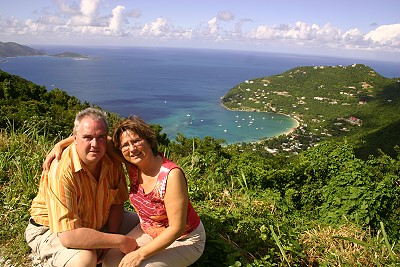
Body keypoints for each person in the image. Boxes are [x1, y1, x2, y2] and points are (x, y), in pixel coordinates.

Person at [45, 115, 206, 267]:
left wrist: (140, 254)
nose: (132, 149)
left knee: (140, 265)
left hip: (184, 239)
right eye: (125, 145)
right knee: (111, 260)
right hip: (149, 229)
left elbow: (176, 229)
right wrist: (62, 144)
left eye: (137, 141)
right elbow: (95, 138)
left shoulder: (171, 175)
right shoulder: (133, 165)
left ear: (149, 141)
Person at [25, 108, 139, 267]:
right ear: (75, 139)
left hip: (97, 221)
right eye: (87, 137)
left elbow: (117, 202)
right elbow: (68, 236)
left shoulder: (111, 159)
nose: (95, 144)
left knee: (146, 224)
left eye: (100, 138)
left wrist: (111, 235)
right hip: (52, 229)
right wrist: (119, 241)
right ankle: (46, 258)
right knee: (84, 260)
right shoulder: (62, 171)